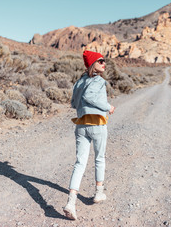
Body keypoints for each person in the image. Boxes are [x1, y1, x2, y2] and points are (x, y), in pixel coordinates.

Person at [63, 50, 115, 220]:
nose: (104, 63)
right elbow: (89, 96)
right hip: (97, 124)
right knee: (99, 158)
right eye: (101, 61)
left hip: (81, 125)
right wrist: (108, 107)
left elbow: (73, 103)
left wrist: (83, 107)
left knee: (80, 163)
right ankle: (99, 193)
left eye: (104, 60)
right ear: (93, 63)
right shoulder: (99, 81)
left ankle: (71, 202)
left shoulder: (79, 82)